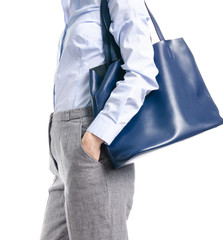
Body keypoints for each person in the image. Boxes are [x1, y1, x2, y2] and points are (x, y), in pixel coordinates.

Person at [40, 0, 159, 239]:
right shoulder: (75, 5)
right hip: (65, 149)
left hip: (94, 143)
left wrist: (95, 137)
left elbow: (142, 72)